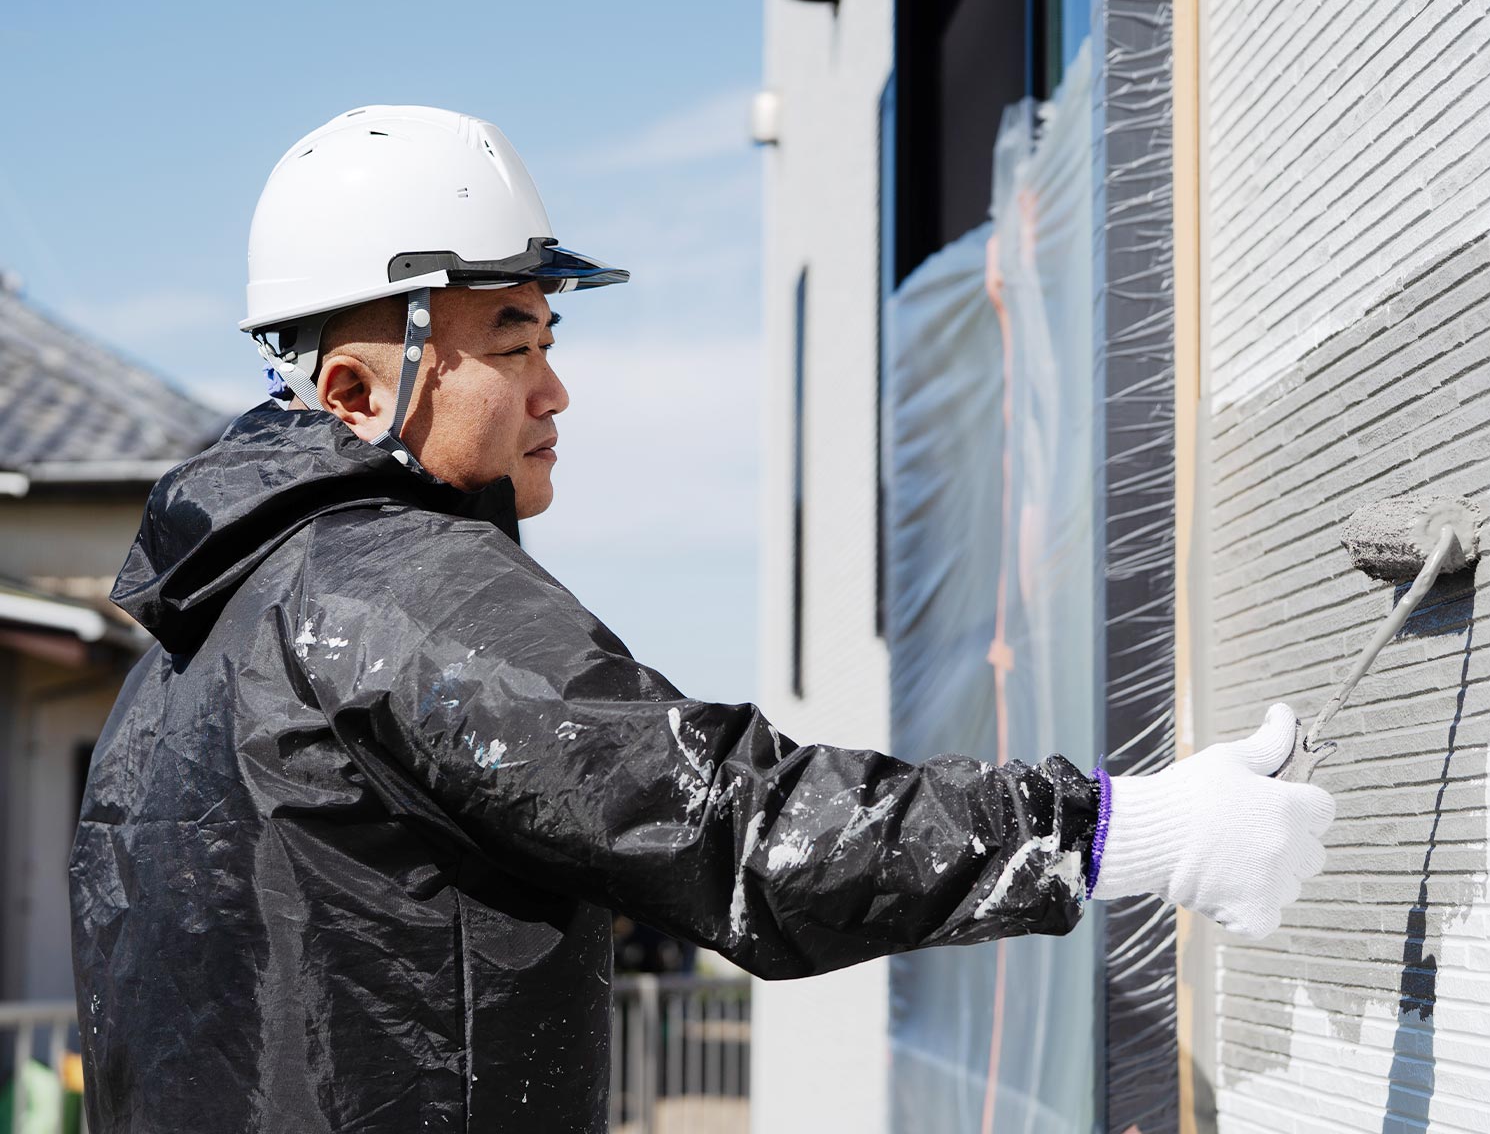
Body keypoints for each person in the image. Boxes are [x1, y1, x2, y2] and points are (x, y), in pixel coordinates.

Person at [69, 106, 1334, 1133]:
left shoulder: (188, 653)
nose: (556, 388)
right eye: (511, 342)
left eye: (551, 335)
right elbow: (737, 831)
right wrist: (1131, 831)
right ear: (356, 385)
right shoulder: (397, 590)